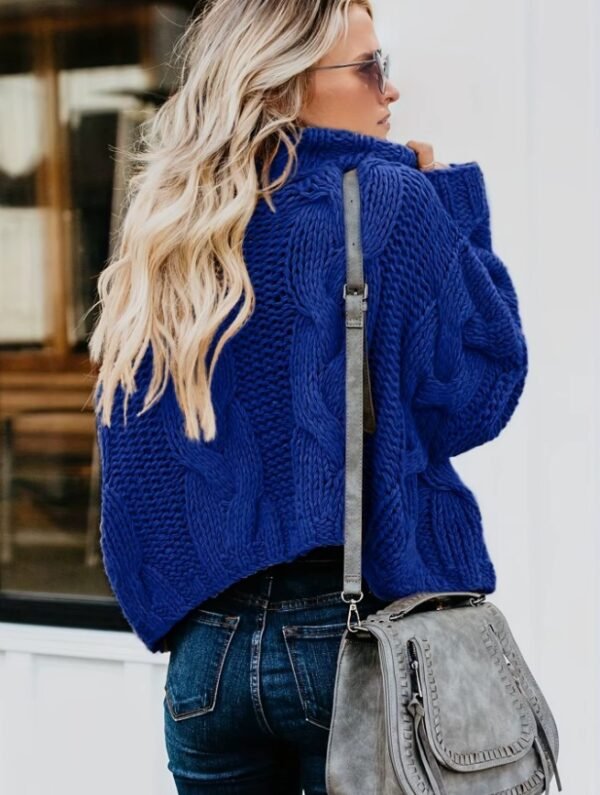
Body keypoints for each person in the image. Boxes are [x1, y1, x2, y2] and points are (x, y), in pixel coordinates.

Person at [88, 0, 528, 792]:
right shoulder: (391, 201)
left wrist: (187, 621)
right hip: (354, 642)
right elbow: (479, 390)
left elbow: (135, 472)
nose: (390, 92)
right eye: (369, 68)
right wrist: (454, 205)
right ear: (285, 85)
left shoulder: (168, 232)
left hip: (205, 661)